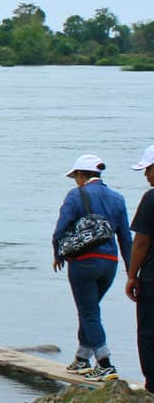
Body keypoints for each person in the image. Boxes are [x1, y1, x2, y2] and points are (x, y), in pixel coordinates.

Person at [53, 154, 133, 381]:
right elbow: (126, 238)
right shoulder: (118, 199)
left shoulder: (75, 196)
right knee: (90, 310)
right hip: (110, 264)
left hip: (83, 263)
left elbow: (61, 229)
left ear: (80, 175)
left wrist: (57, 253)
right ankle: (81, 359)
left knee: (88, 312)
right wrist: (131, 272)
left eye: (75, 176)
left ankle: (105, 362)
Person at [125, 145, 154, 388]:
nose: (146, 175)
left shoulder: (151, 199)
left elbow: (142, 241)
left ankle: (153, 387)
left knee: (149, 334)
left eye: (148, 169)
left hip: (153, 279)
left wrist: (132, 275)